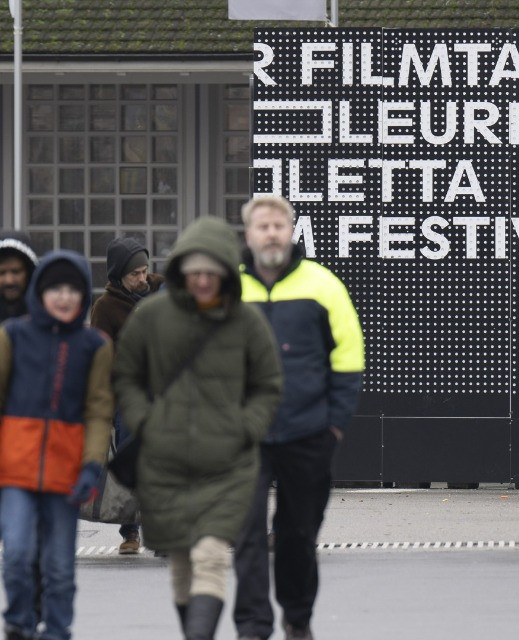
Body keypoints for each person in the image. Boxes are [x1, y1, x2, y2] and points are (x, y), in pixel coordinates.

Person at [112, 216, 282, 640]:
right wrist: (144, 420)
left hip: (227, 463)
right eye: (195, 271)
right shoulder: (151, 317)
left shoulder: (246, 322)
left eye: (212, 271)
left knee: (210, 555)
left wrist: (247, 427)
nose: (203, 280)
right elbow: (126, 375)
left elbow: (268, 383)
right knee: (182, 562)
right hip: (166, 462)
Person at [233, 195, 364, 640]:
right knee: (246, 534)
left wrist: (334, 426)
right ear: (249, 234)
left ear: (291, 231)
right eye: (263, 226)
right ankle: (253, 626)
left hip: (308, 434)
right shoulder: (229, 291)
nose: (271, 233)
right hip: (244, 437)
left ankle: (298, 618)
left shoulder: (323, 286)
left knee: (298, 534)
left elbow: (348, 358)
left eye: (279, 225)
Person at [0, 251, 113, 640]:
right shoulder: (13, 336)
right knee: (17, 553)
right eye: (55, 289)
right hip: (15, 470)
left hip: (66, 473)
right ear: (39, 292)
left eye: (72, 290)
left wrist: (91, 465)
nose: (63, 297)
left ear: (83, 295)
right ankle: (18, 621)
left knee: (60, 567)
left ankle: (58, 630)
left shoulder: (94, 345)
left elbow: (98, 411)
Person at [90, 237, 164, 555]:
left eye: (145, 270)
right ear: (119, 275)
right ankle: (130, 530)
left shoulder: (162, 289)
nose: (142, 278)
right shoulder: (105, 308)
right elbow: (101, 358)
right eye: (135, 273)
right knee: (130, 460)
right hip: (128, 395)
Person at [0, 231, 38, 323]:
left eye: (16, 272)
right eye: (1, 273)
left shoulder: (50, 316)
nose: (9, 281)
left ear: (29, 273)